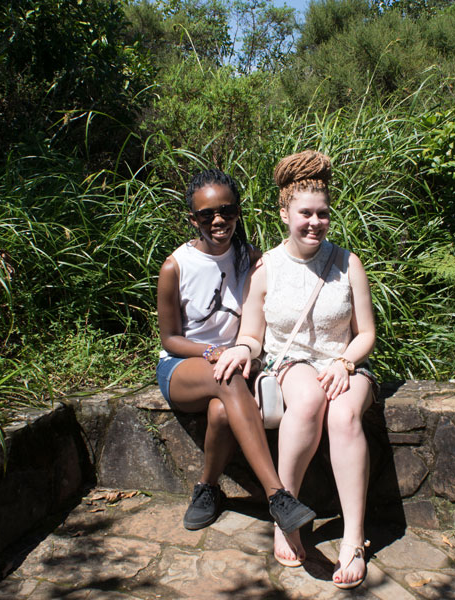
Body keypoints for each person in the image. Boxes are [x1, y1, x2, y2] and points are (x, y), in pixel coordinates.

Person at [215, 151, 377, 589]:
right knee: (306, 402)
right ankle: (284, 514)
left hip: (344, 364)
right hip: (291, 363)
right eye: (305, 213)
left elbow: (365, 334)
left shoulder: (348, 263)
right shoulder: (265, 267)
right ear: (284, 213)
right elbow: (252, 333)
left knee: (343, 416)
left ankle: (353, 538)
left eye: (322, 214)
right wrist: (240, 351)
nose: (314, 222)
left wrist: (346, 362)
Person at [156, 168, 315, 535]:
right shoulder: (175, 267)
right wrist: (213, 350)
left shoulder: (252, 259)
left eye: (226, 211)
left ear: (238, 212)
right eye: (206, 215)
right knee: (226, 379)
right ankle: (278, 495)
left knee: (222, 411)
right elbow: (170, 339)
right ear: (192, 219)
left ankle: (207, 488)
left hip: (235, 369)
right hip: (183, 368)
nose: (218, 221)